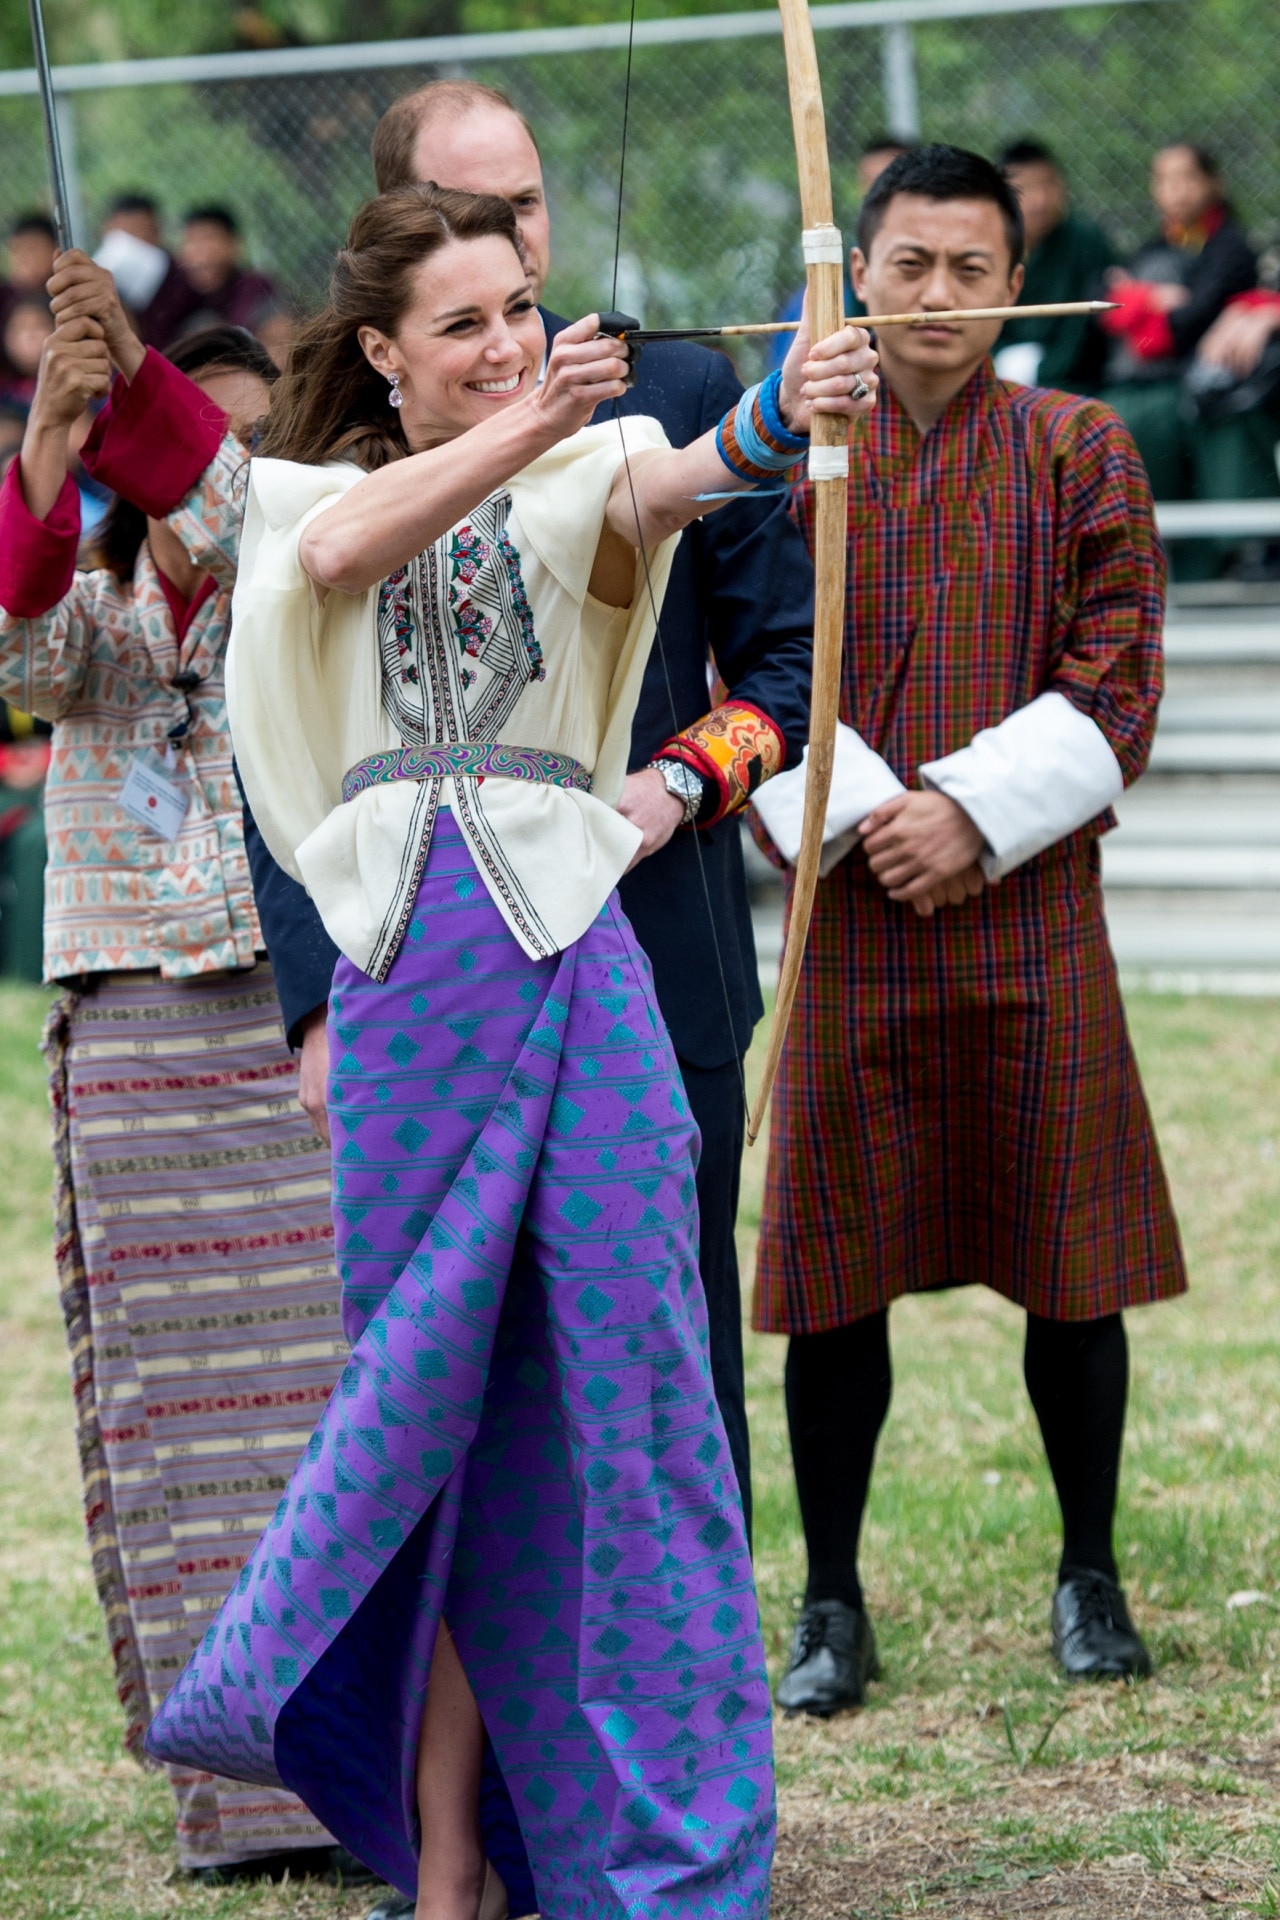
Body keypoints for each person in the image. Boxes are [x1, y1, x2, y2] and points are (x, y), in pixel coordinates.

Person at [146, 182, 877, 1920]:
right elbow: (335, 557)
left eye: (520, 307)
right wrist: (541, 414)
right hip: (411, 980)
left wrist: (798, 400)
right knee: (434, 1409)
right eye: (461, 321)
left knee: (631, 1395)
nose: (504, 343)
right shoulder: (315, 492)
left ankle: (665, 1850)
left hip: (575, 951)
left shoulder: (583, 466)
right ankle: (455, 1856)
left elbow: (695, 468)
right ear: (385, 352)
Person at [246, 77, 820, 1552]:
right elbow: (306, 664)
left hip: (644, 940)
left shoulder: (654, 397)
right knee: (440, 1363)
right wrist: (314, 1004)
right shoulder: (319, 483)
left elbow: (781, 661)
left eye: (531, 214)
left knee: (655, 1347)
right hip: (416, 972)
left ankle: (678, 1687)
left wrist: (680, 784)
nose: (518, 277)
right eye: (477, 228)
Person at [750, 144, 1186, 1719]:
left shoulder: (1081, 442)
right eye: (909, 264)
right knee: (831, 1276)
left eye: (973, 270)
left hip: (1030, 904)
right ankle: (830, 1598)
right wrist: (878, 821)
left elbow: (1119, 677)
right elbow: (757, 673)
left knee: (1073, 1267)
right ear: (854, 272)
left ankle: (1090, 1573)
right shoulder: (789, 453)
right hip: (850, 911)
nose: (938, 297)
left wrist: (971, 819)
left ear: (1021, 283)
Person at [0, 261, 374, 1888]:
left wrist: (137, 400)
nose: (194, 477)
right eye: (175, 441)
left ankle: (359, 1764)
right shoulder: (82, 608)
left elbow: (235, 521)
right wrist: (46, 444)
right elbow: (16, 662)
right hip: (139, 1046)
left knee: (330, 1406)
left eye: (231, 447)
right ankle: (233, 1794)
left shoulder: (302, 569)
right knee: (181, 1427)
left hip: (295, 1028)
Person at [1098, 143, 1256, 505]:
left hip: (1191, 383)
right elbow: (1107, 294)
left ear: (1213, 183)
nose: (1176, 191)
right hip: (1140, 380)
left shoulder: (1230, 247)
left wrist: (1139, 299)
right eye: (1165, 181)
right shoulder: (1156, 246)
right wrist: (1151, 298)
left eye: (1187, 178)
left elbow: (1194, 316)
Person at [995, 138, 1114, 392]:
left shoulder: (1085, 240)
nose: (1040, 200)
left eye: (1048, 184)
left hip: (1075, 374)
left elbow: (1087, 328)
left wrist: (1047, 370)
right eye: (1024, 188)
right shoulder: (992, 246)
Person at [95, 193, 204, 349]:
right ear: (106, 233)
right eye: (125, 237)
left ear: (158, 233)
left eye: (142, 233)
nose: (132, 246)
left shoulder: (178, 279)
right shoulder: (97, 278)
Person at [178, 204, 279, 334]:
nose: (199, 250)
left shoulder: (256, 288)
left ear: (233, 245)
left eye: (208, 239)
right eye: (191, 241)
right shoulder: (181, 295)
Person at [0, 212, 58, 348]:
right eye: (16, 250)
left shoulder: (70, 294)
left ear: (55, 251)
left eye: (32, 249)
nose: (23, 259)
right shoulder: (3, 299)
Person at [0, 292, 54, 411]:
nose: (30, 336)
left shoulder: (77, 386)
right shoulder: (4, 391)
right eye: (21, 327)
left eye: (39, 326)